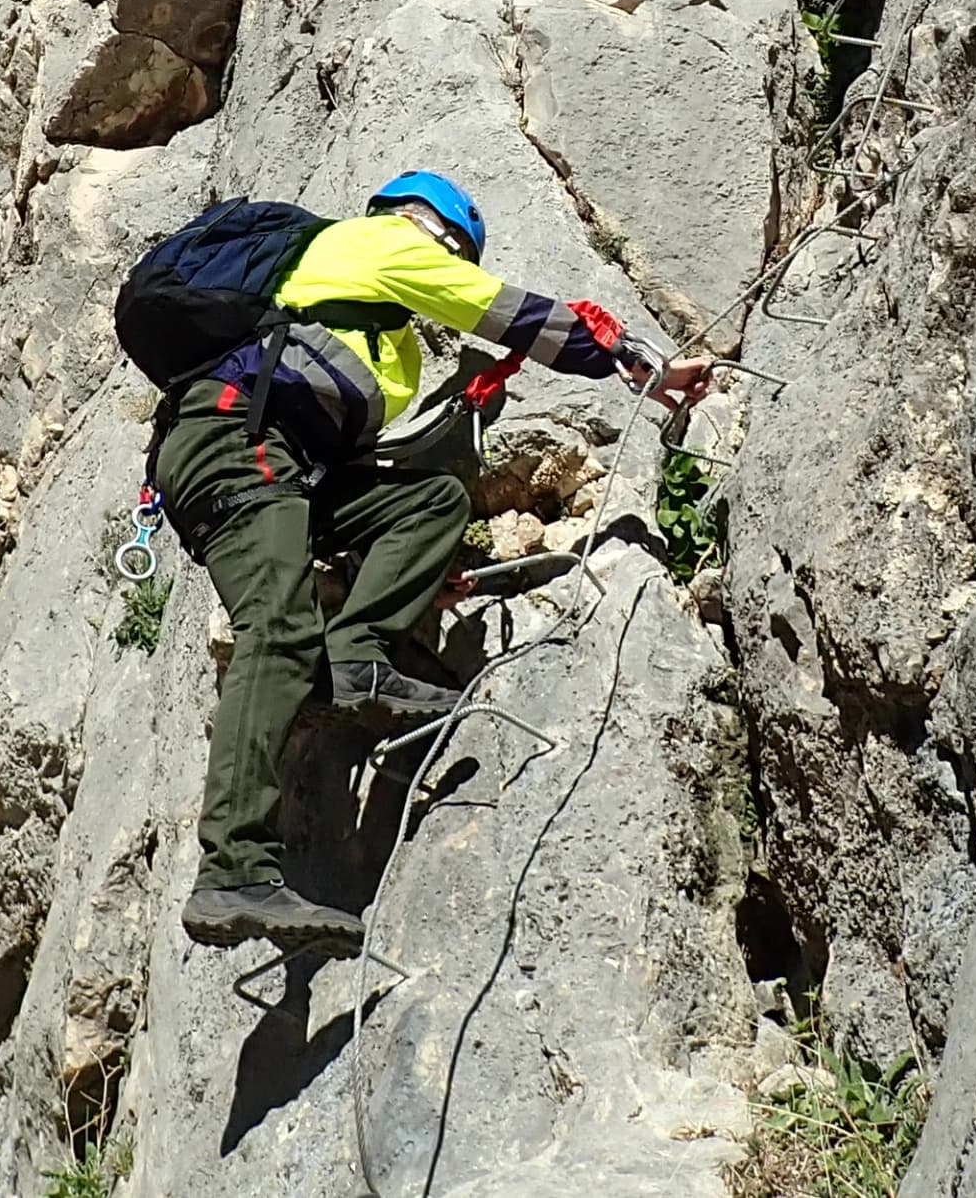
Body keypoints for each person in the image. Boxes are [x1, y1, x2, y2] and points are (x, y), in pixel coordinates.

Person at [147, 172, 711, 953]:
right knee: (277, 627)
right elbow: (511, 313)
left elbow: (357, 464)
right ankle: (233, 869)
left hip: (280, 461)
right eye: (454, 253)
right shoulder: (376, 244)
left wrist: (401, 573)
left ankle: (358, 657)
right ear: (433, 231)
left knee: (429, 502)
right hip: (235, 441)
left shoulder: (383, 338)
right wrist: (627, 356)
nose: (449, 266)